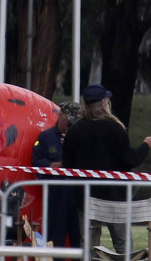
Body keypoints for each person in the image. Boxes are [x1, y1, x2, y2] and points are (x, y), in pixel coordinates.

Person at [62, 84, 151, 254]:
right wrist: (145, 146)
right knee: (123, 245)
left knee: (87, 245)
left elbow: (68, 165)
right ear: (103, 102)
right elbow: (129, 159)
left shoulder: (75, 131)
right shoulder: (114, 128)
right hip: (113, 197)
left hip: (85, 197)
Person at [32, 101, 81, 250]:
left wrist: (71, 145)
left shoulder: (81, 137)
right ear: (61, 116)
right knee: (55, 235)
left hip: (77, 193)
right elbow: (36, 161)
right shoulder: (46, 137)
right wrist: (51, 166)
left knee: (78, 236)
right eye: (69, 121)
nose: (70, 125)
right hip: (56, 193)